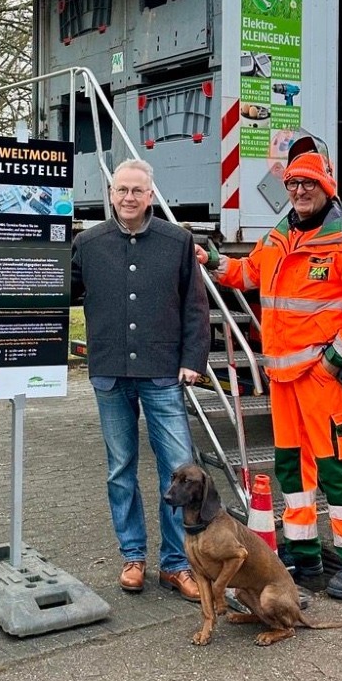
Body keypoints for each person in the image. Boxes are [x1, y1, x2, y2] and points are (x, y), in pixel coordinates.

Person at [202, 135, 342, 600]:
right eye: (293, 184)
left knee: (338, 469)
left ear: (327, 187)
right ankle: (303, 556)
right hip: (284, 380)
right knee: (293, 471)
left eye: (308, 183)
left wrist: (331, 363)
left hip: (324, 382)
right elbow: (249, 274)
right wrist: (213, 260)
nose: (300, 191)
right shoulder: (281, 235)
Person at [71, 158, 210, 601]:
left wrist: (193, 359)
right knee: (120, 470)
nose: (129, 197)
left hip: (162, 371)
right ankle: (133, 556)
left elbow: (195, 306)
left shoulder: (177, 241)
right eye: (122, 190)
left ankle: (176, 563)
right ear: (111, 194)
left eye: (138, 190)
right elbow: (63, 291)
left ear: (150, 195)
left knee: (179, 471)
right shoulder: (89, 243)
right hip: (110, 371)